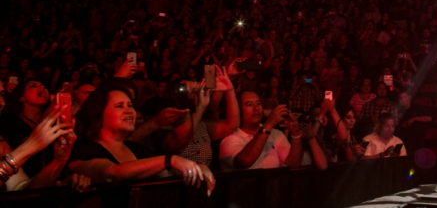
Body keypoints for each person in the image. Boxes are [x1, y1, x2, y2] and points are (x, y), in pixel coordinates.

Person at [67, 82, 215, 194]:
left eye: (130, 105)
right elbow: (111, 173)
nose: (129, 111)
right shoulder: (85, 148)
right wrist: (171, 160)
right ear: (99, 114)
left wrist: (198, 168)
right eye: (120, 106)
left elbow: (166, 172)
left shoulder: (136, 149)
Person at [218, 91, 305, 170]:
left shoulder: (275, 134)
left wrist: (295, 135)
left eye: (258, 103)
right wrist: (269, 124)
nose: (256, 108)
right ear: (238, 110)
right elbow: (244, 162)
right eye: (249, 104)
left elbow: (293, 164)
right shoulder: (230, 139)